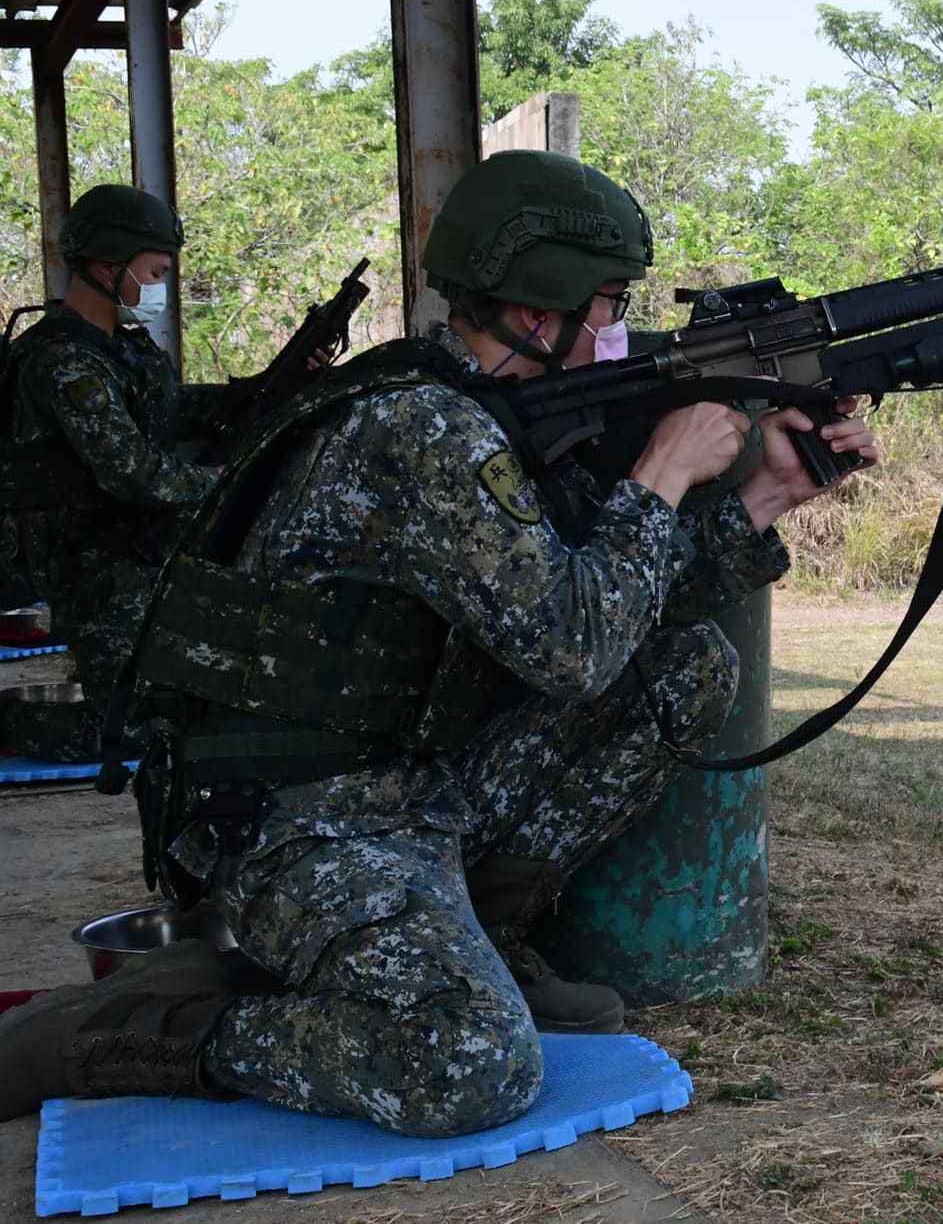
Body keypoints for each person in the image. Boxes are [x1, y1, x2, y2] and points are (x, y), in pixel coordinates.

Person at [0, 150, 877, 1137]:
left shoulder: (482, 412)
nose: (618, 331)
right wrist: (663, 471)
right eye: (608, 304)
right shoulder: (423, 430)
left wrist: (763, 496)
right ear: (538, 312)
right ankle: (156, 1026)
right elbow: (573, 645)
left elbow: (610, 606)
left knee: (685, 667)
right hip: (293, 816)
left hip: (403, 777)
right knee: (469, 1066)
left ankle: (481, 933)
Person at [0, 185, 219, 763]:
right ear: (106, 265)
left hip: (122, 544)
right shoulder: (64, 360)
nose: (161, 287)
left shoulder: (120, 347)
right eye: (155, 271)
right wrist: (224, 481)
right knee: (132, 732)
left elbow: (174, 410)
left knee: (191, 701)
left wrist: (266, 392)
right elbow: (136, 474)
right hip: (84, 560)